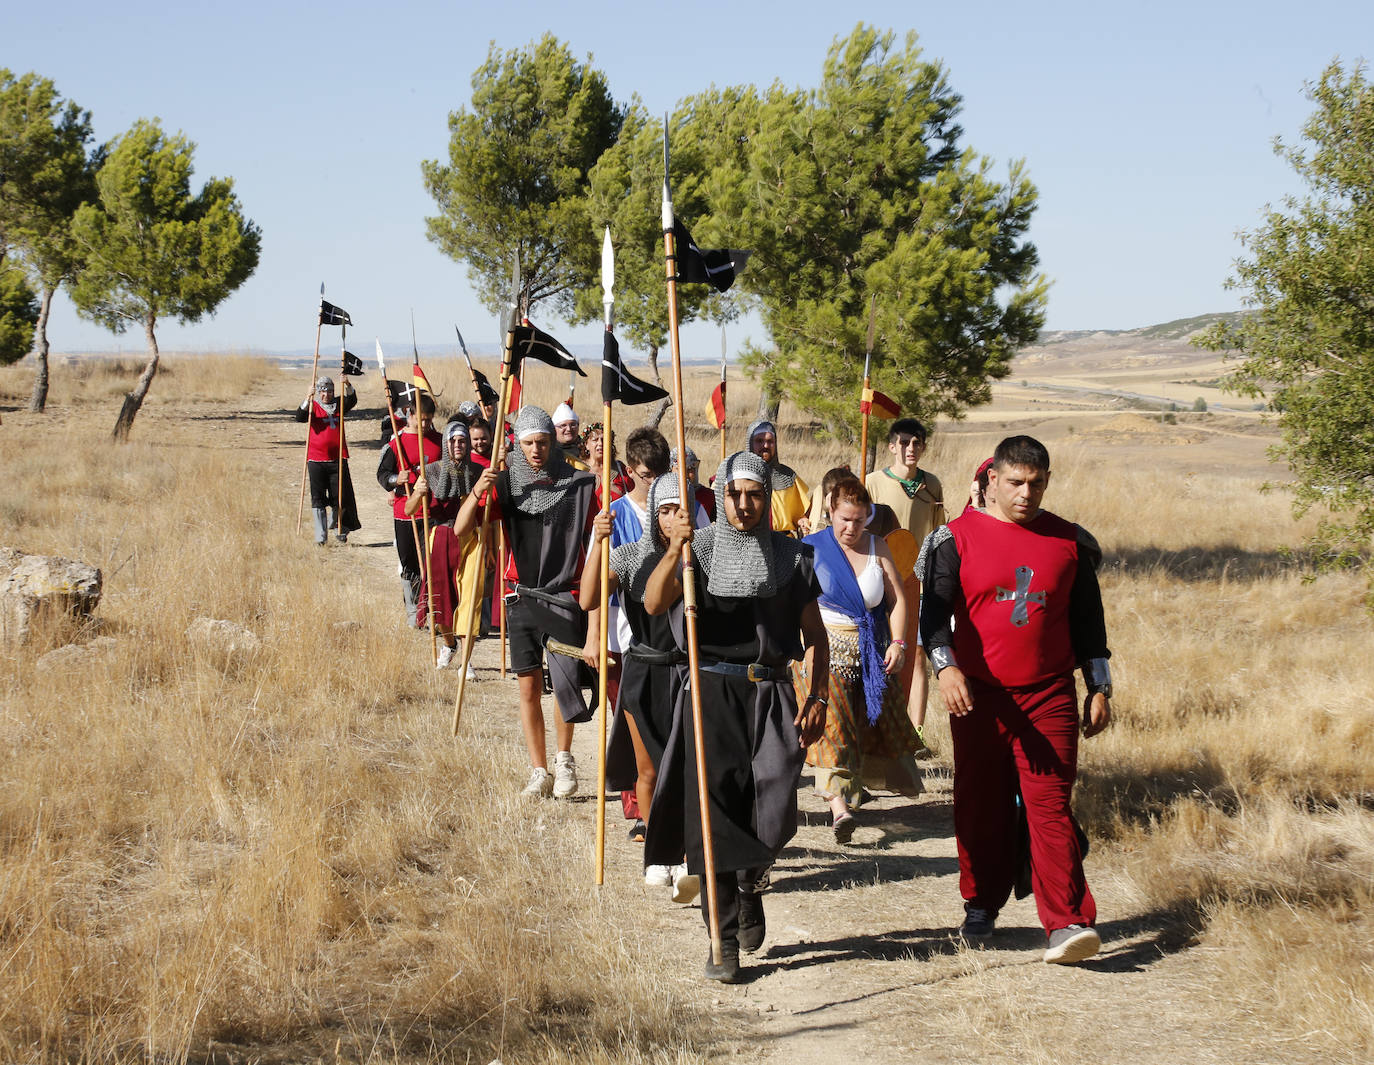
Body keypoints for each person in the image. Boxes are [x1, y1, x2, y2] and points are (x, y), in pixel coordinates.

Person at [920, 435, 1112, 965]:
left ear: (1046, 482)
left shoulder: (1069, 542)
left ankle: (1067, 920)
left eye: (1036, 483)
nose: (1026, 493)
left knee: (1050, 807)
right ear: (991, 481)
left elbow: (1088, 622)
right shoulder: (952, 540)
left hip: (1049, 693)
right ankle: (981, 901)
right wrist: (945, 667)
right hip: (978, 696)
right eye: (1015, 483)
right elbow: (932, 617)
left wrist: (1099, 685)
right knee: (981, 803)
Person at [643, 450, 829, 983]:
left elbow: (815, 637)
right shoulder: (696, 552)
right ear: (720, 498)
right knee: (714, 814)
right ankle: (721, 939)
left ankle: (752, 879)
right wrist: (677, 545)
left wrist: (816, 697)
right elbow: (656, 604)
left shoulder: (793, 559)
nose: (745, 505)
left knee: (773, 809)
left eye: (754, 495)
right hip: (710, 692)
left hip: (771, 694)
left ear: (766, 498)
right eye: (735, 494)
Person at [458, 406, 599, 799]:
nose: (536, 450)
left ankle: (564, 759)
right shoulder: (505, 483)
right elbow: (461, 528)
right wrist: (478, 490)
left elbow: (598, 530)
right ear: (517, 445)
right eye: (529, 443)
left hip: (564, 595)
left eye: (542, 442)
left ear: (552, 441)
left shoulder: (574, 483)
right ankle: (539, 770)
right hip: (520, 595)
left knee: (566, 683)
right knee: (528, 687)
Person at [581, 472, 698, 904]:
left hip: (686, 674)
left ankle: (686, 852)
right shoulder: (630, 556)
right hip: (641, 670)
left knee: (685, 769)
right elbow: (588, 598)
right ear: (655, 514)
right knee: (648, 769)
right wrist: (598, 543)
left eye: (678, 511)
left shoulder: (702, 558)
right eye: (664, 510)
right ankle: (656, 853)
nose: (670, 519)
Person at [799, 476, 923, 842]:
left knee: (862, 729)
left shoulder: (879, 547)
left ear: (868, 516)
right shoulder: (809, 549)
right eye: (844, 519)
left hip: (870, 654)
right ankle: (841, 810)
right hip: (824, 654)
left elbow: (896, 600)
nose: (851, 527)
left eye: (858, 519)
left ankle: (852, 791)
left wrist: (898, 643)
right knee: (832, 730)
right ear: (830, 512)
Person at [581, 426, 672, 839]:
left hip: (673, 636)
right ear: (631, 469)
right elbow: (596, 588)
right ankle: (638, 807)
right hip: (624, 631)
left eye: (661, 471)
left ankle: (666, 803)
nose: (655, 480)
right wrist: (593, 636)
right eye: (647, 473)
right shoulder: (613, 514)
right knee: (628, 720)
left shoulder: (680, 509)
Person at [865, 418, 945, 753]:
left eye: (918, 442)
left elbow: (939, 531)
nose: (912, 449)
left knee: (917, 655)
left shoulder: (932, 484)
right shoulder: (872, 482)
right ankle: (879, 729)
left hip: (920, 581)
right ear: (892, 446)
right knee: (880, 653)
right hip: (880, 579)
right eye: (905, 442)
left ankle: (916, 733)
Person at [409, 421, 483, 673]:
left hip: (470, 537)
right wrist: (418, 493)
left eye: (463, 440)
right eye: (453, 441)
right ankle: (450, 645)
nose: (458, 445)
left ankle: (467, 660)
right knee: (440, 600)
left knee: (468, 598)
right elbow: (410, 510)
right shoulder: (430, 471)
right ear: (446, 443)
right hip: (439, 535)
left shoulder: (475, 471)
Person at [377, 391, 441, 627]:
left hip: (433, 512)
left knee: (432, 563)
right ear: (410, 415)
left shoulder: (440, 441)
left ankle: (433, 611)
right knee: (410, 564)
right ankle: (414, 612)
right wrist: (397, 478)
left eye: (428, 419)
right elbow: (382, 475)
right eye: (420, 418)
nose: (424, 423)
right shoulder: (396, 443)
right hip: (405, 511)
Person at [295, 376, 361, 545]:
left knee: (339, 496)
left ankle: (340, 528)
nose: (326, 395)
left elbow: (352, 400)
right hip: (316, 460)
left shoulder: (339, 404)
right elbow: (300, 417)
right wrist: (307, 397)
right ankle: (320, 537)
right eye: (323, 391)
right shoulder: (313, 406)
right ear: (319, 392)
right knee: (317, 498)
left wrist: (347, 384)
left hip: (337, 459)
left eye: (329, 391)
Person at [745, 418, 810, 536]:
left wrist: (802, 521)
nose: (765, 445)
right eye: (759, 441)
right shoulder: (739, 475)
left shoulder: (788, 477)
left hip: (784, 543)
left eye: (770, 441)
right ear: (750, 443)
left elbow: (799, 515)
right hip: (751, 540)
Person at [671, 445, 715, 524]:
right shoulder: (661, 498)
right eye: (679, 470)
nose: (685, 475)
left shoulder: (709, 496)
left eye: (690, 469)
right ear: (670, 470)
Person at [552, 402, 588, 469]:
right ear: (554, 429)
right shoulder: (550, 451)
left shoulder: (587, 448)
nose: (569, 429)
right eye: (563, 425)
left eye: (573, 425)